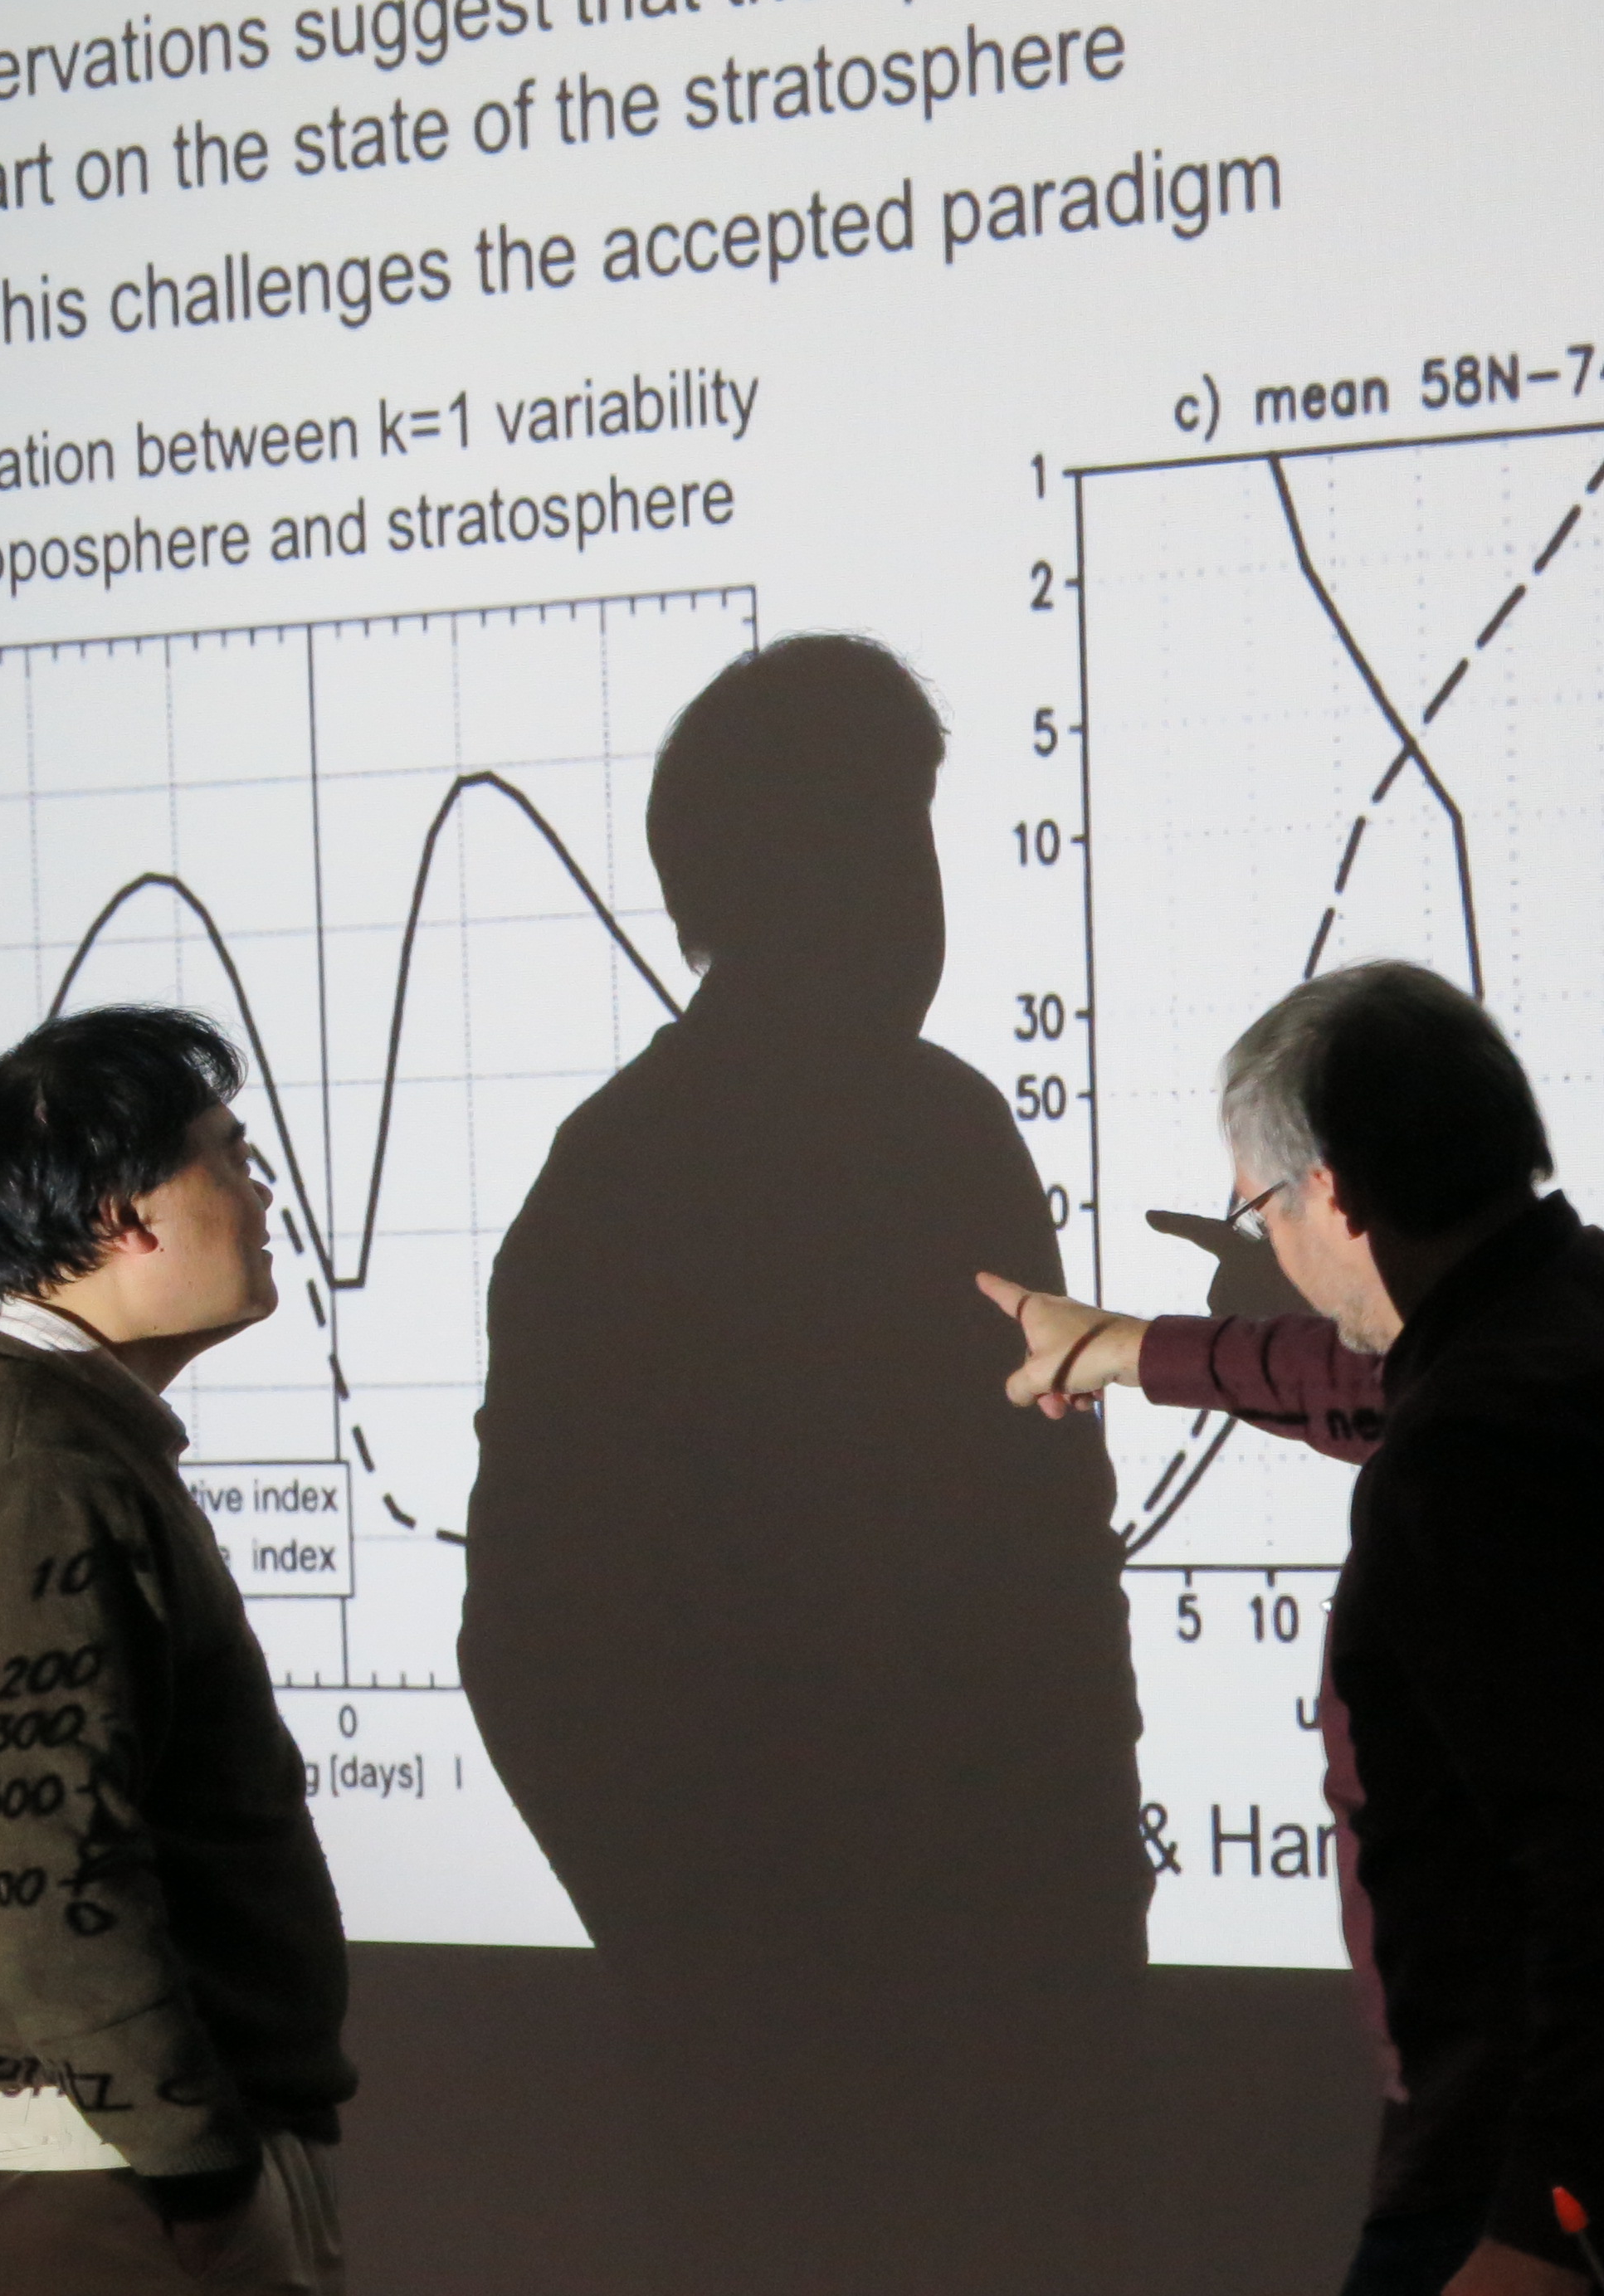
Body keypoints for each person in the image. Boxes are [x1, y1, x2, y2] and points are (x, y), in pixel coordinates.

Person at [1017, 961, 1604, 2296]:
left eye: (1261, 1207)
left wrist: (1549, 2222)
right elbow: (1377, 1376)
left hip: (1575, 2186)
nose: (1272, 1247)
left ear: (1335, 1193)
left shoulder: (1473, 1450)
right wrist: (1128, 1348)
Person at [461, 636, 1148, 2296]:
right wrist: (725, 1960)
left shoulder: (917, 1135)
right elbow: (533, 1641)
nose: (919, 896)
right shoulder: (664, 1176)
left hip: (963, 2023)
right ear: (789, 877)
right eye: (887, 839)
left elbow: (1051, 1553)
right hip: (838, 2051)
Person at [0, 1004, 353, 2296]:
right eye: (230, 1159)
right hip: (120, 2184)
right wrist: (200, 2172)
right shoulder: (41, 1468)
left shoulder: (24, 1427)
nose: (264, 1196)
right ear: (124, 1213)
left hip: (115, 2166)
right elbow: (47, 1869)